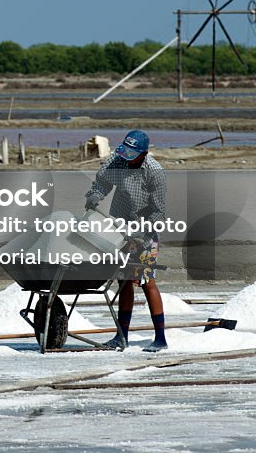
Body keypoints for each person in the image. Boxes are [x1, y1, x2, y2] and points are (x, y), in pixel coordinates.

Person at [85, 129, 168, 352]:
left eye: (132, 155)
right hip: (120, 228)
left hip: (145, 231)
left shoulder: (154, 172)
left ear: (144, 154)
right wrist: (95, 195)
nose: (126, 158)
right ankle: (121, 337)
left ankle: (160, 338)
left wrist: (143, 232)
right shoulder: (117, 160)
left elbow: (159, 212)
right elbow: (103, 182)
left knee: (147, 281)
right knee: (123, 282)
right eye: (125, 153)